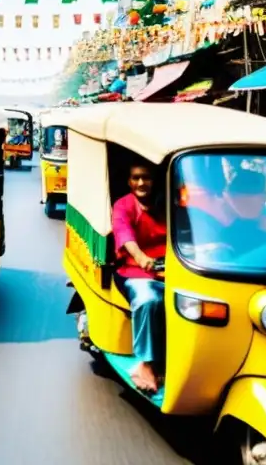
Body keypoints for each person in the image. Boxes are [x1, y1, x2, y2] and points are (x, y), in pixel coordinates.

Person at [111, 160, 167, 394]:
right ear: (129, 181)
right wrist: (142, 257)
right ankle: (145, 362)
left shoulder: (168, 204)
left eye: (147, 178)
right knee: (149, 300)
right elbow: (125, 237)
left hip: (172, 269)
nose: (142, 183)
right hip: (135, 271)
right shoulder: (123, 206)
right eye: (136, 178)